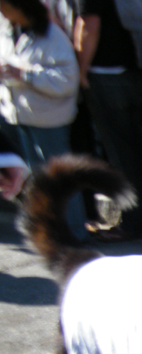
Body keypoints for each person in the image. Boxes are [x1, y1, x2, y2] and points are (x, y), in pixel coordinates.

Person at [0, 0, 83, 239]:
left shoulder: (53, 36)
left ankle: (74, 233)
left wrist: (24, 74)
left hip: (50, 119)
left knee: (61, 177)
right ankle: (50, 230)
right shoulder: (7, 32)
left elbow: (67, 82)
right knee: (36, 179)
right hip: (19, 115)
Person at [73, 0, 142, 241]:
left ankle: (133, 223)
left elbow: (88, 24)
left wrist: (80, 70)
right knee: (132, 151)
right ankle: (138, 219)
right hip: (134, 69)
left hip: (105, 75)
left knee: (121, 155)